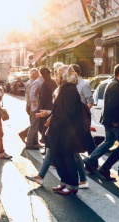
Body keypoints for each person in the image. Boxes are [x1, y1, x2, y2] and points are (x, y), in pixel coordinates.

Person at [33, 65, 88, 194]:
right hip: (60, 130)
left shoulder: (69, 90)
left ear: (64, 76)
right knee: (59, 158)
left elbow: (67, 112)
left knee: (68, 159)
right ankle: (64, 182)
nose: (56, 77)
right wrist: (49, 114)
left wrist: (55, 122)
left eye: (58, 74)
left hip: (66, 131)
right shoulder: (63, 88)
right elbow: (60, 110)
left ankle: (72, 186)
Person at [83, 64, 119, 177]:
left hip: (108, 120)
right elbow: (113, 104)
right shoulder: (116, 85)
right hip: (114, 121)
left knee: (109, 142)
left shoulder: (112, 83)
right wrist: (117, 120)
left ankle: (90, 159)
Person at [72, 64, 96, 154]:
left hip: (82, 116)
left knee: (87, 138)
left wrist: (83, 113)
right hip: (74, 116)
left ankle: (93, 161)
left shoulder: (83, 85)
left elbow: (90, 101)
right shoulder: (73, 84)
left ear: (76, 73)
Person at [26, 68, 43, 150]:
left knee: (35, 125)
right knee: (34, 125)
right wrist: (36, 104)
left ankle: (34, 142)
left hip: (33, 106)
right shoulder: (36, 82)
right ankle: (29, 143)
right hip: (34, 107)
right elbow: (31, 95)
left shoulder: (36, 81)